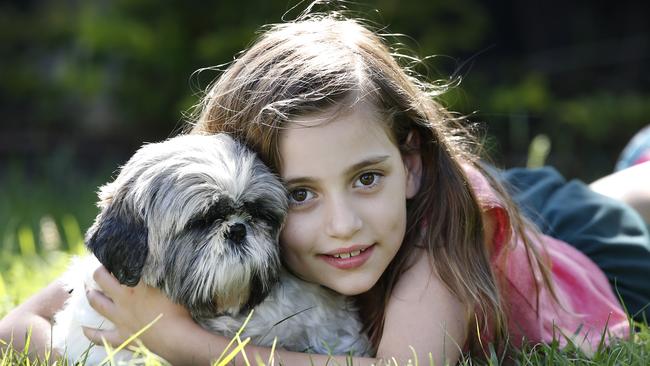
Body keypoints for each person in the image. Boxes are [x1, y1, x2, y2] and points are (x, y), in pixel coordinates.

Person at [2, 10, 649, 366]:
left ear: (411, 161)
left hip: (575, 252)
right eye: (299, 194)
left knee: (611, 206)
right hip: (471, 204)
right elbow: (20, 325)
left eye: (364, 177)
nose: (341, 224)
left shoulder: (439, 246)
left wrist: (180, 343)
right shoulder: (218, 223)